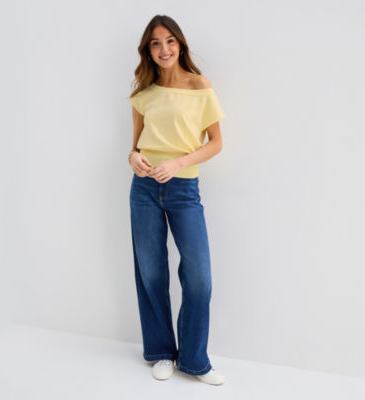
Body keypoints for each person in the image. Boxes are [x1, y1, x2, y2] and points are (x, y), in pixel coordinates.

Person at [128, 15, 226, 385]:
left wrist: (179, 163)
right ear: (148, 51)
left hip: (184, 190)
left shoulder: (200, 86)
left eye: (169, 41)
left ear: (180, 44)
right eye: (155, 43)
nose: (164, 49)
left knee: (199, 275)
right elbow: (135, 147)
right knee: (151, 273)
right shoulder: (143, 93)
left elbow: (216, 143)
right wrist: (133, 158)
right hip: (144, 190)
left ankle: (195, 360)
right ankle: (161, 352)